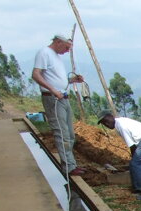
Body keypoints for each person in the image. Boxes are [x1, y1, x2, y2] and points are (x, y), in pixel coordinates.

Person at [32, 34, 85, 176]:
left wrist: (73, 80)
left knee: (70, 134)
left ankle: (71, 163)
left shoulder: (56, 56)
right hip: (53, 99)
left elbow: (56, 79)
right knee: (62, 133)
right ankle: (69, 167)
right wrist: (53, 90)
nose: (67, 51)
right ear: (58, 42)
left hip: (63, 98)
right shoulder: (44, 53)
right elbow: (36, 75)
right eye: (66, 48)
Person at [97, 111, 141, 193]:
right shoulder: (121, 121)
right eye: (104, 123)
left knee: (136, 163)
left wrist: (134, 159)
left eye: (106, 121)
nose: (106, 124)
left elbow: (132, 146)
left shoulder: (120, 125)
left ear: (111, 116)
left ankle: (140, 189)